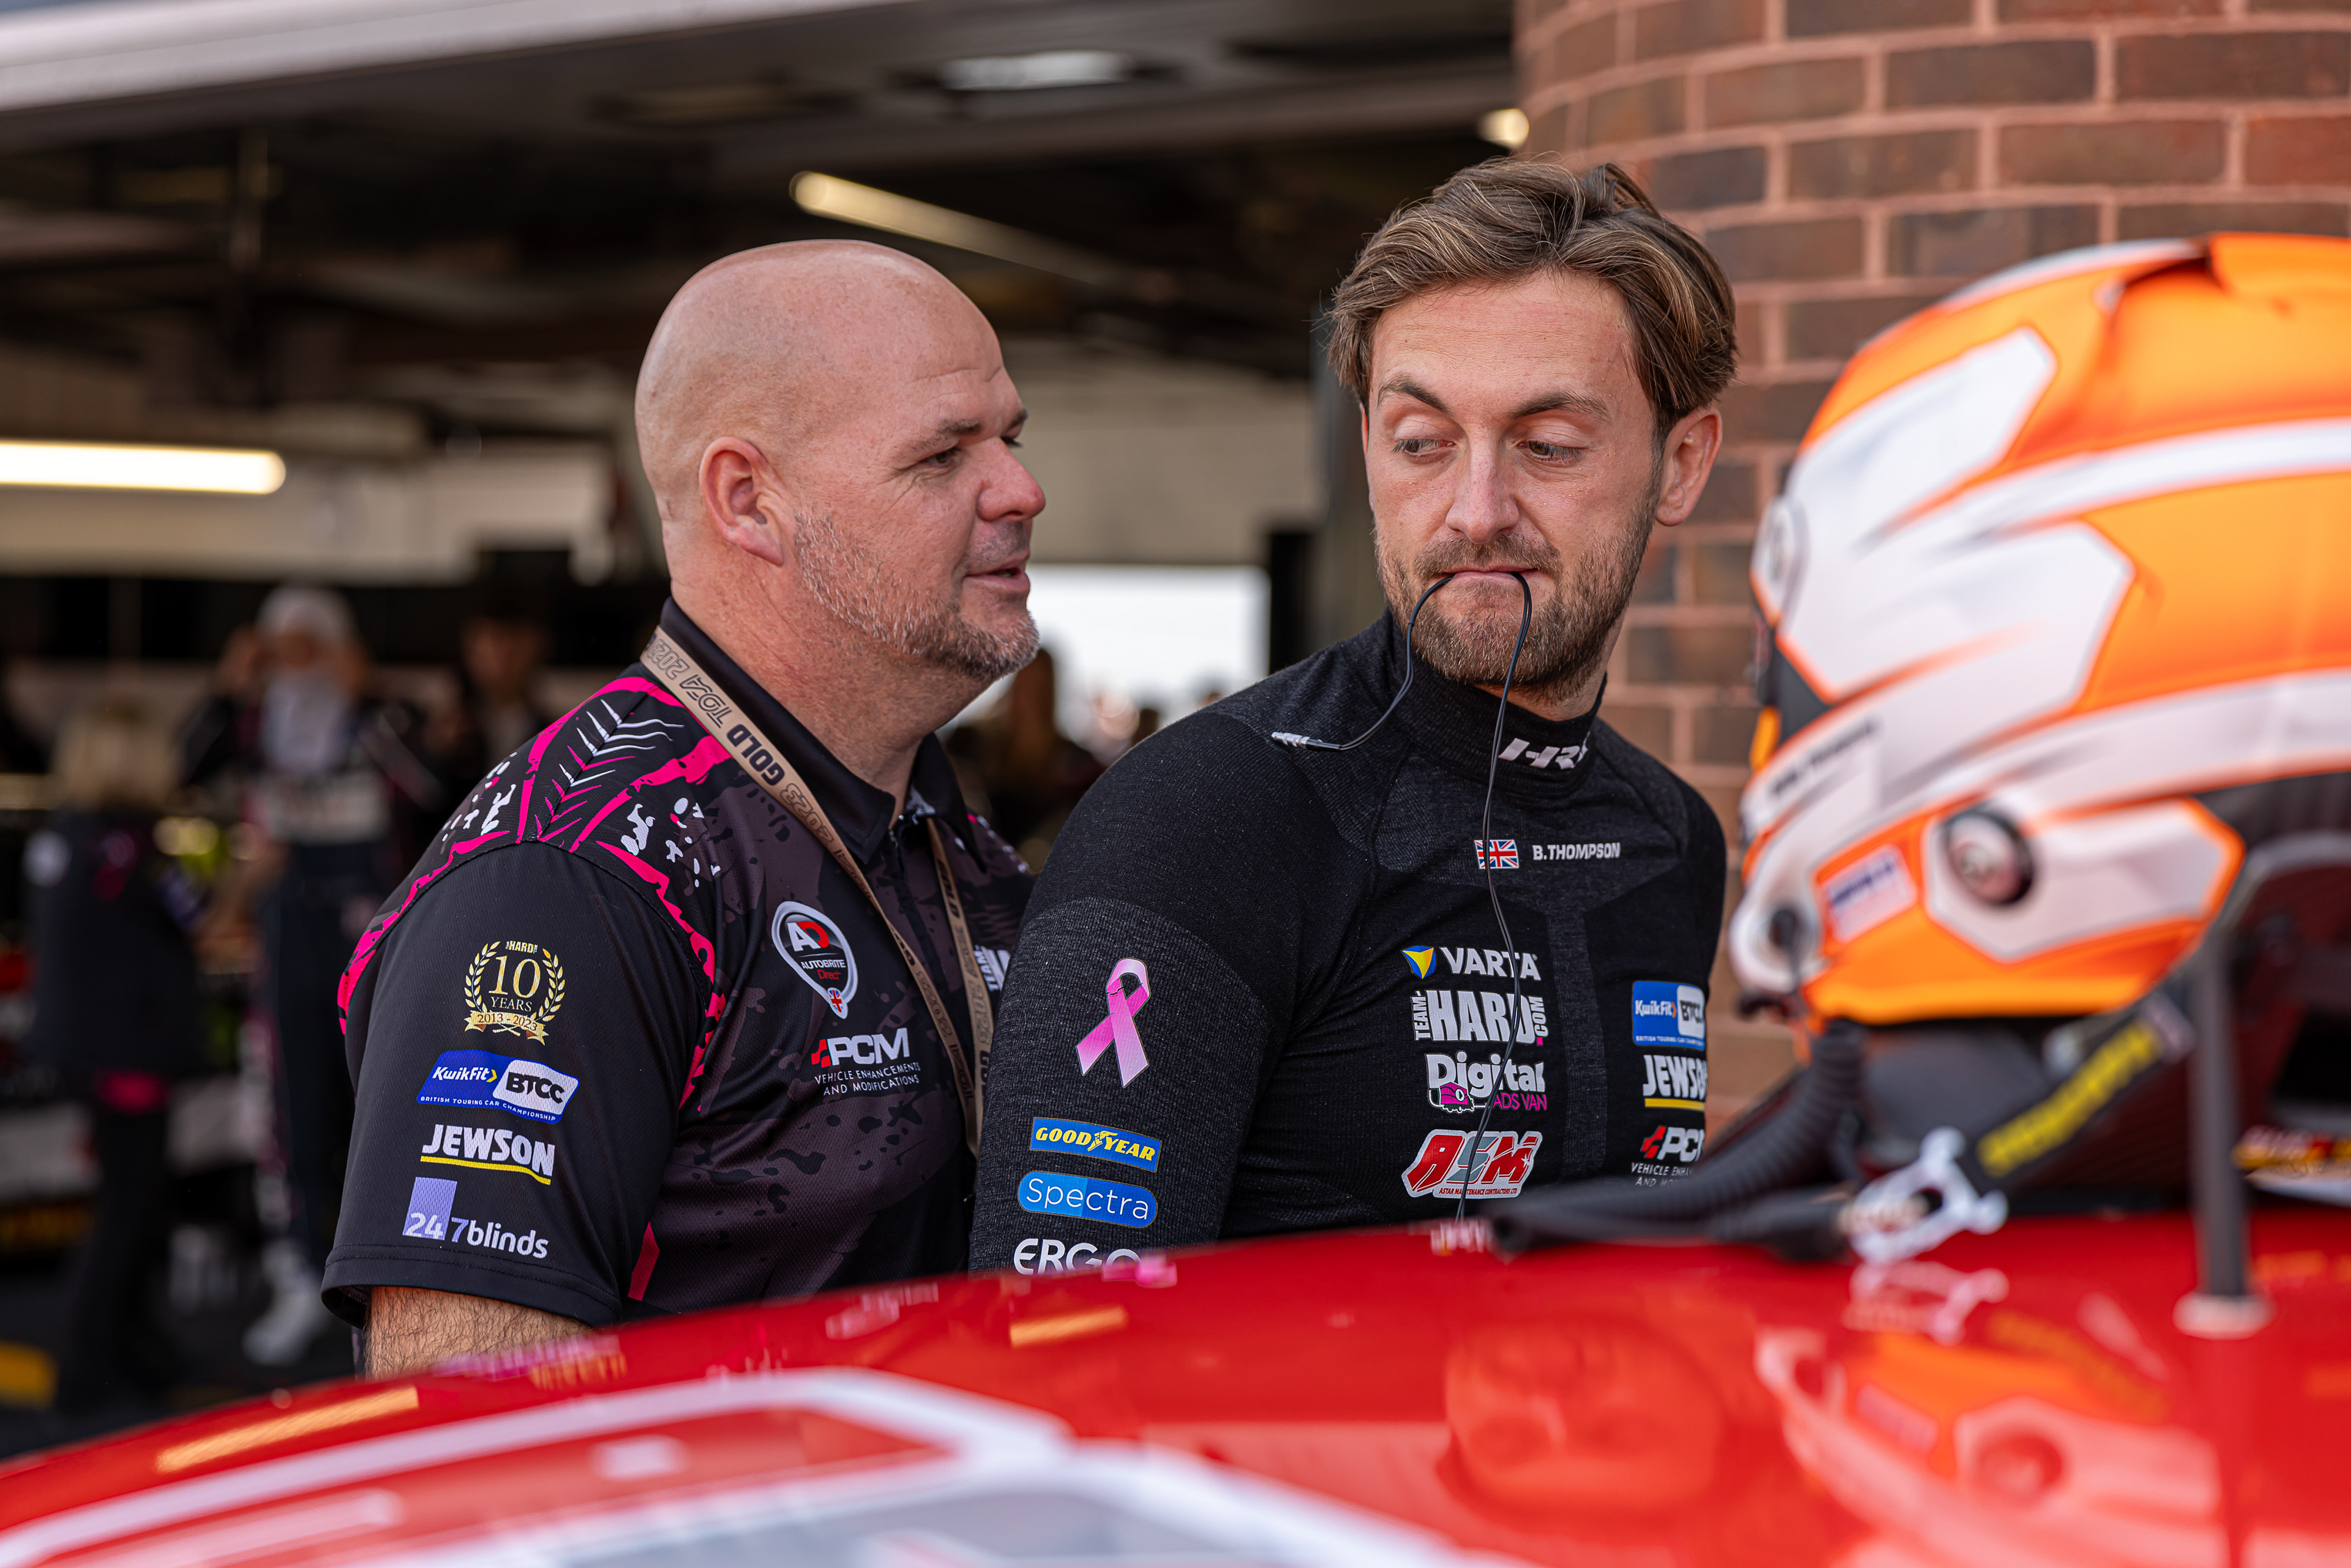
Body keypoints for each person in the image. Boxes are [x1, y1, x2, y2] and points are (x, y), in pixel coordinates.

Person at [970, 160, 1734, 1274]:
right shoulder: (1204, 821)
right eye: (1423, 441)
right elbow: (1055, 1330)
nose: (1477, 511)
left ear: (1682, 464)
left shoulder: (1671, 836)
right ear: (1370, 446)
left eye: (1549, 445)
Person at [326, 241, 1040, 1375]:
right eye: (944, 454)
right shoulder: (571, 881)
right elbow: (470, 1419)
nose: (1019, 490)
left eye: (1010, 439)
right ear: (749, 500)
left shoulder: (944, 831)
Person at [182, 585, 444, 1365]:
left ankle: (400, 1273)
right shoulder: (254, 722)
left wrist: (363, 691)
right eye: (282, 645)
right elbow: (186, 764)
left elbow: (435, 784)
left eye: (312, 644)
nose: (298, 661)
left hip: (380, 932)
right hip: (289, 937)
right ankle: (301, 1271)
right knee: (294, 1108)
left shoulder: (381, 719)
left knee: (390, 1103)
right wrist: (228, 686)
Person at [22, 700, 208, 1409]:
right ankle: (84, 1362)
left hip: (80, 1045)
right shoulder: (129, 845)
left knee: (132, 1204)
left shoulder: (62, 835)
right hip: (128, 1051)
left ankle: (135, 1349)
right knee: (130, 1209)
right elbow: (198, 914)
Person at [946, 648, 1103, 867]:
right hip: (973, 867)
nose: (1030, 695)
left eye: (1039, 687)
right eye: (1025, 682)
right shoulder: (970, 743)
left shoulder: (1077, 763)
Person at [426, 602, 555, 797]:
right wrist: (436, 753)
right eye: (486, 649)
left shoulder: (551, 731)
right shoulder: (452, 728)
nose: (500, 662)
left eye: (512, 652)